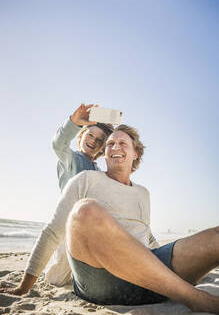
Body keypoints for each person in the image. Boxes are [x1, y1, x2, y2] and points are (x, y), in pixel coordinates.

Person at [1, 125, 219, 313]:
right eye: (110, 144)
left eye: (123, 143)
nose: (115, 147)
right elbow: (52, 232)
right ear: (104, 155)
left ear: (136, 154)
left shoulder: (143, 193)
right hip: (100, 279)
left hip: (148, 279)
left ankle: (169, 285)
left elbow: (146, 233)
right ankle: (194, 297)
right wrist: (24, 287)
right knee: (85, 210)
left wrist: (166, 260)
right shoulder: (85, 179)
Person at [45, 103, 114, 286]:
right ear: (81, 136)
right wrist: (73, 123)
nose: (94, 141)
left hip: (90, 228)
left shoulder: (98, 170)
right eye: (90, 135)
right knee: (56, 278)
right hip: (68, 224)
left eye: (100, 141)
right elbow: (58, 144)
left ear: (102, 149)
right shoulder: (71, 159)